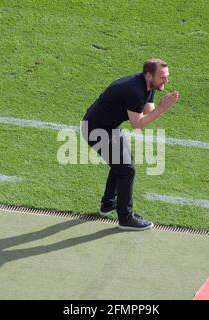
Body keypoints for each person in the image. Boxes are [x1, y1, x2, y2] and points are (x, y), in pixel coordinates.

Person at [81, 58, 179, 230]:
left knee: (123, 164)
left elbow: (148, 111)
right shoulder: (134, 90)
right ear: (149, 75)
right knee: (127, 169)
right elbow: (138, 124)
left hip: (108, 127)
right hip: (95, 129)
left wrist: (160, 108)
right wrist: (163, 108)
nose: (166, 81)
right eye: (163, 77)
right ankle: (126, 219)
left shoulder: (148, 86)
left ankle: (108, 204)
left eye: (167, 76)